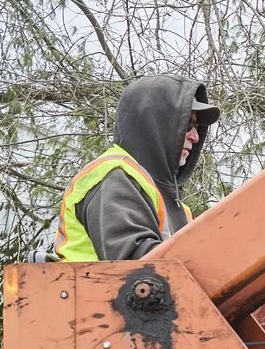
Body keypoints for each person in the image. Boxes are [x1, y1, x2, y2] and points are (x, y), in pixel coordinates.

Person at [52, 74, 219, 262]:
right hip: (88, 283)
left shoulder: (177, 207)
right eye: (187, 124)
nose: (195, 137)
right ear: (155, 124)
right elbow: (136, 268)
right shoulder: (114, 175)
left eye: (196, 126)